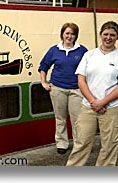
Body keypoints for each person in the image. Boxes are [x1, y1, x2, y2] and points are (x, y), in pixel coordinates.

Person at [66, 21, 118, 166]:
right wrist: (94, 102)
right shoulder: (89, 55)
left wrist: (102, 103)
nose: (108, 37)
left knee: (109, 146)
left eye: (112, 35)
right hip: (88, 107)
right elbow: (81, 81)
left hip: (112, 109)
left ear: (117, 37)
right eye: (106, 34)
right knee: (81, 143)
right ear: (100, 35)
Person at [38, 22, 88, 154]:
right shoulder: (54, 50)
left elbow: (89, 69)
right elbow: (43, 66)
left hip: (76, 90)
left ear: (76, 36)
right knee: (60, 118)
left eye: (72, 33)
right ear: (62, 34)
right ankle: (62, 143)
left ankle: (79, 145)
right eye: (67, 33)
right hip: (57, 88)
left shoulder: (82, 50)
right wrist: (44, 82)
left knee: (77, 119)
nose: (69, 36)